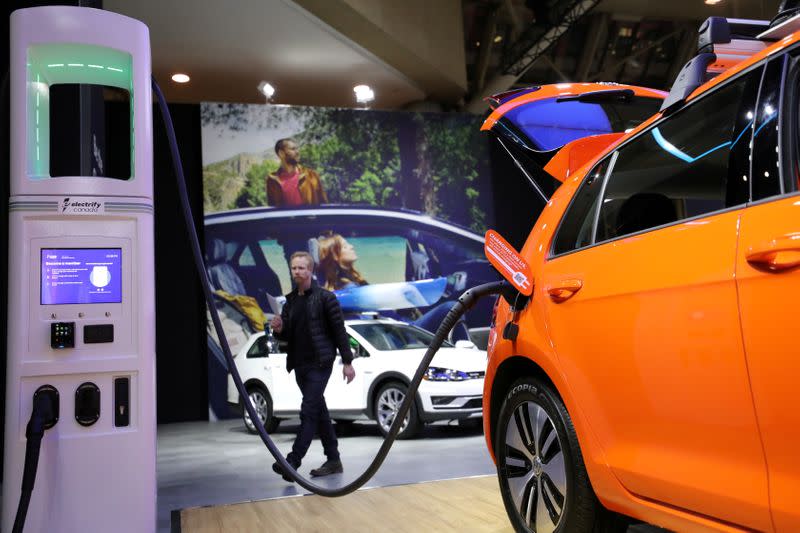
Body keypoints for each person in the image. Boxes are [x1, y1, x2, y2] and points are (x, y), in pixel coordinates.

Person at [269, 251, 356, 482]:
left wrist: (348, 362)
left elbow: (339, 331)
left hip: (320, 363)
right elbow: (286, 336)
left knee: (308, 411)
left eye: (301, 268)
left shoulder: (326, 298)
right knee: (319, 413)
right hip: (299, 366)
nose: (297, 271)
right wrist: (278, 329)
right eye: (294, 268)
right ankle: (334, 459)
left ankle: (292, 462)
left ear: (310, 270)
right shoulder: (290, 302)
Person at [266, 138, 328, 207]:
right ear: (281, 153)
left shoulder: (311, 175)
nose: (297, 152)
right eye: (293, 149)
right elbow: (272, 208)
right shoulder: (272, 181)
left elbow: (324, 204)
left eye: (297, 149)